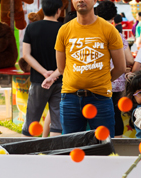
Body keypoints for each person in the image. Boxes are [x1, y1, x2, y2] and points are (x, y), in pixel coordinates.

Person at [53, 0, 125, 135]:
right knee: (71, 148)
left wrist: (101, 81)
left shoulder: (109, 29)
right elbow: (61, 68)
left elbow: (120, 67)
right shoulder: (64, 30)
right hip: (70, 98)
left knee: (103, 147)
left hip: (101, 99)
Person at [21, 0, 63, 137]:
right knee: (57, 125)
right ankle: (55, 156)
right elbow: (67, 58)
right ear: (58, 10)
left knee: (31, 122)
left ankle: (24, 155)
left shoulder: (32, 28)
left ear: (42, 9)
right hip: (60, 80)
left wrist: (44, 73)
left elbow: (26, 55)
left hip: (39, 81)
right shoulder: (64, 29)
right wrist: (52, 75)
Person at [96, 0, 134, 138]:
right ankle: (117, 142)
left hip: (97, 81)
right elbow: (129, 60)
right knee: (115, 113)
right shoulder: (117, 35)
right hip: (116, 82)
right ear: (113, 17)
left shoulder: (93, 33)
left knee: (97, 114)